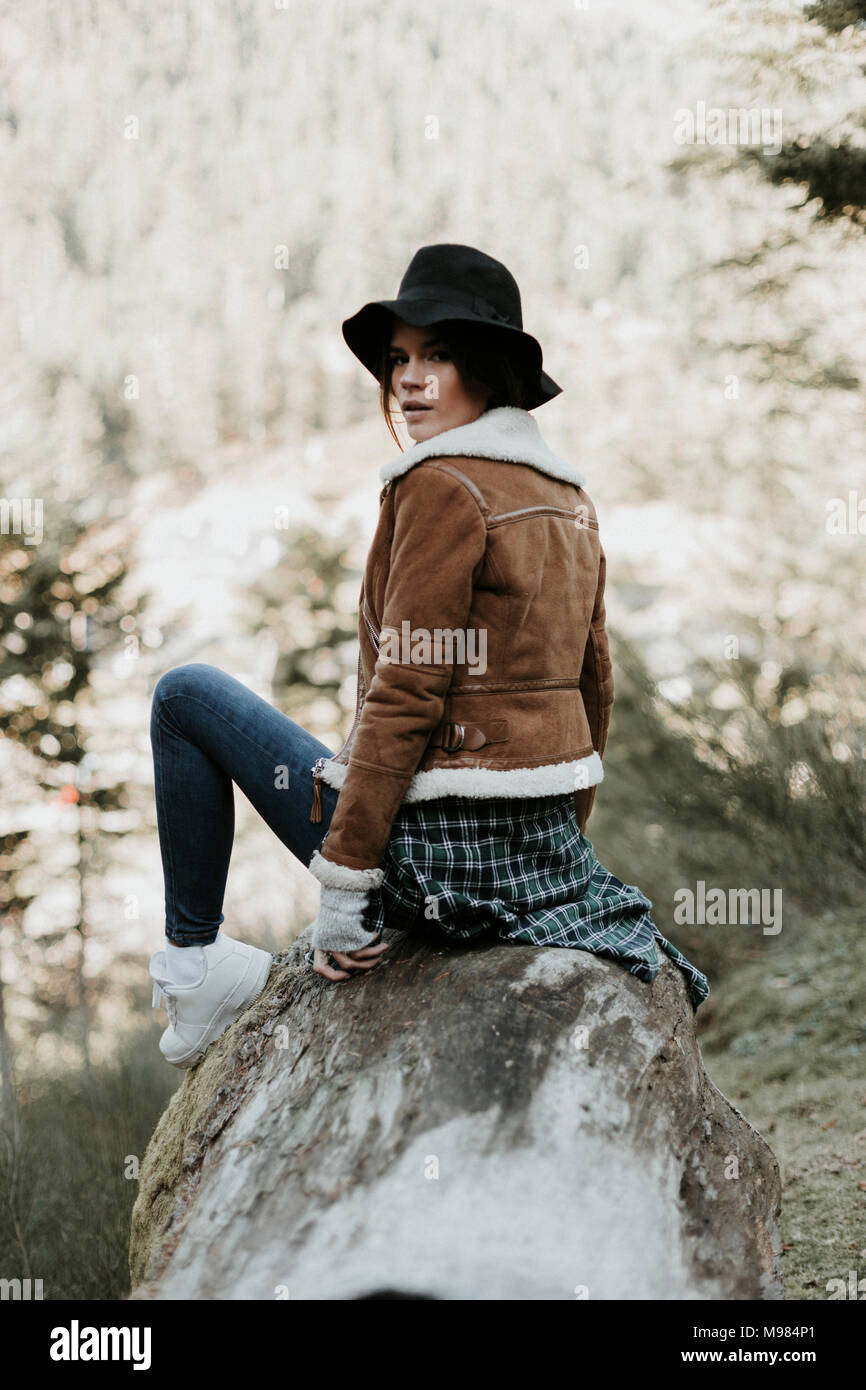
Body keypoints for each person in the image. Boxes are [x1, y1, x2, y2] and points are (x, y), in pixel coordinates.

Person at [148, 243, 708, 1069]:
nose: (409, 379)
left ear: (486, 366)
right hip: (538, 859)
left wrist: (346, 886)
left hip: (434, 859)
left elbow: (405, 693)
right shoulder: (568, 497)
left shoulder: (439, 484)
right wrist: (552, 848)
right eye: (399, 358)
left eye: (438, 354)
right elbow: (596, 689)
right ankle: (206, 964)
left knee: (185, 695)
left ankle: (196, 969)